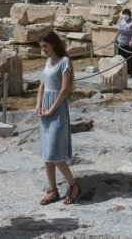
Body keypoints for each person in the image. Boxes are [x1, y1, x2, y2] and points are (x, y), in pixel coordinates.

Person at [36, 31, 80, 205]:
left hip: (57, 107)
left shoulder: (64, 62)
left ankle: (73, 185)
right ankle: (53, 190)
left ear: (53, 44)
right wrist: (39, 105)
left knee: (55, 152)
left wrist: (51, 109)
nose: (43, 50)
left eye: (45, 46)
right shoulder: (48, 61)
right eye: (41, 47)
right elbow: (42, 85)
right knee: (47, 154)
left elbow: (64, 90)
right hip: (45, 107)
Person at [115, 9, 132, 77]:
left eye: (126, 14)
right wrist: (116, 37)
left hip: (128, 43)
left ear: (129, 15)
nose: (124, 15)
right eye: (123, 14)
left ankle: (131, 73)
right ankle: (122, 72)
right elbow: (119, 30)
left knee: (129, 59)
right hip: (120, 43)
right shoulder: (122, 21)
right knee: (121, 58)